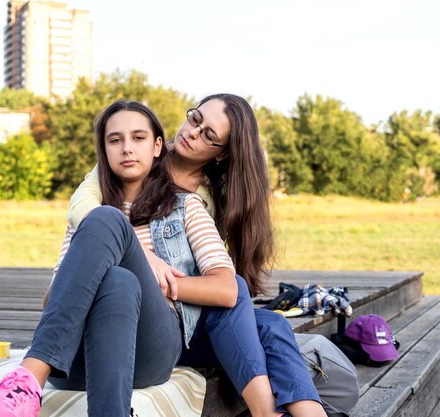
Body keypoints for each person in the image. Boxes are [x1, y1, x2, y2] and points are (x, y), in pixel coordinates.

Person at [61, 95, 327, 416]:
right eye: (195, 119)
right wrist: (142, 260)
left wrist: (170, 283)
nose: (191, 133)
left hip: (188, 314)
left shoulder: (213, 194)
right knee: (236, 295)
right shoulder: (139, 153)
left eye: (208, 135)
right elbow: (82, 206)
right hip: (146, 316)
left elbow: (216, 271)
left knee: (270, 324)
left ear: (224, 152)